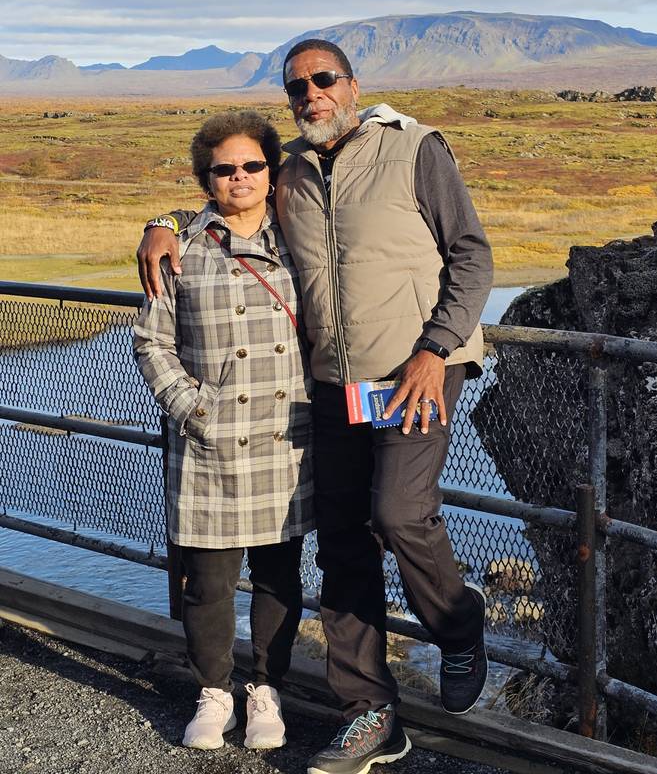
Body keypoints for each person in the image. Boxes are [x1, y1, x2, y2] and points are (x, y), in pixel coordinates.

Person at [137, 40, 493, 774]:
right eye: (297, 86)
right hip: (332, 385)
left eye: (324, 79)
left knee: (398, 512)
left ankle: (459, 626)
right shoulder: (292, 168)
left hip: (417, 370)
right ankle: (370, 714)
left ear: (353, 85)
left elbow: (472, 254)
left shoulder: (414, 148)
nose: (311, 94)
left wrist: (437, 348)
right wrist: (162, 221)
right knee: (341, 545)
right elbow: (226, 200)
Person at [133, 110, 313, 754]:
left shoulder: (302, 236)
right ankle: (214, 692)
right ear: (206, 179)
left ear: (272, 171)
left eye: (252, 165)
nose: (240, 177)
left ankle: (266, 690)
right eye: (224, 168)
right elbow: (152, 341)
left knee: (277, 576)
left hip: (286, 435)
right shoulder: (179, 245)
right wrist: (194, 409)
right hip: (209, 440)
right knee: (208, 582)